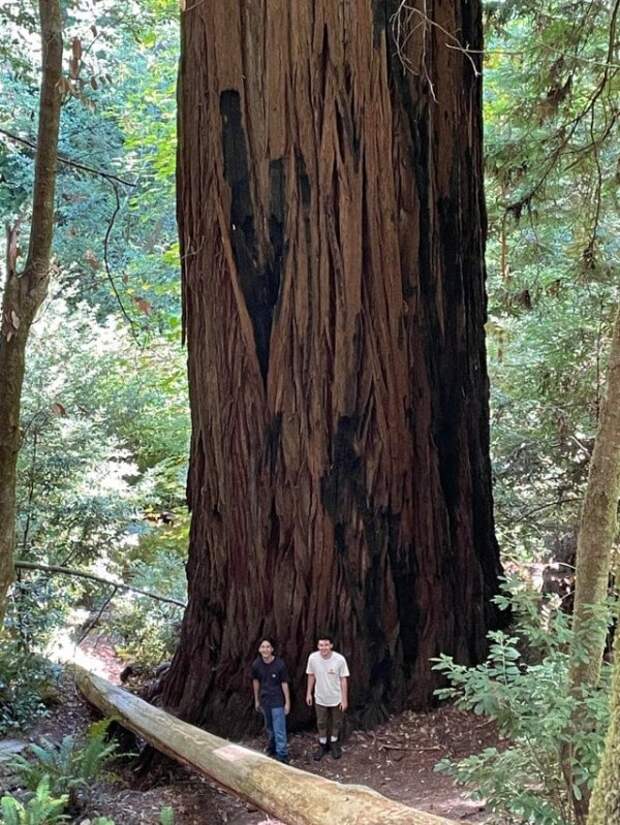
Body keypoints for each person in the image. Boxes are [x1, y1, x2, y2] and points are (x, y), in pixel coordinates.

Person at [305, 633, 350, 760]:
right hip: (320, 697)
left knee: (336, 721)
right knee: (321, 722)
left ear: (331, 645)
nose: (323, 648)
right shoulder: (313, 658)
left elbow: (343, 679)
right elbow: (311, 675)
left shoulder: (339, 659)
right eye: (320, 645)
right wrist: (308, 693)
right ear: (317, 646)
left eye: (326, 645)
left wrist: (344, 699)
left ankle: (334, 742)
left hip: (336, 697)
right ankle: (323, 744)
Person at [251, 638, 290, 763]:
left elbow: (284, 683)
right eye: (263, 647)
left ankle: (282, 755)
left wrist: (287, 702)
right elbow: (256, 682)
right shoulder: (256, 664)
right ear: (259, 649)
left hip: (277, 700)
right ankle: (272, 747)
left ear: (272, 649)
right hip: (264, 699)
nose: (265, 649)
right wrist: (256, 700)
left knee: (279, 728)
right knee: (269, 727)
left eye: (268, 647)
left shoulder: (279, 664)